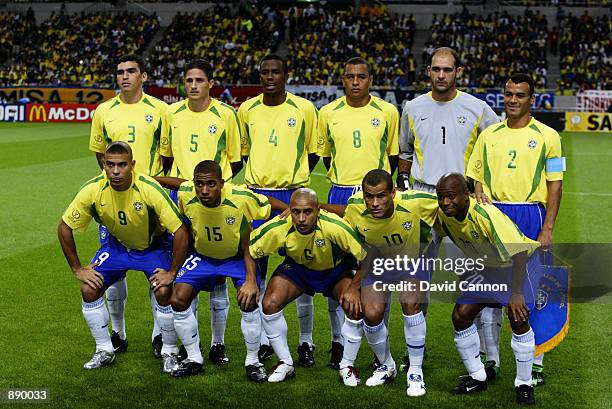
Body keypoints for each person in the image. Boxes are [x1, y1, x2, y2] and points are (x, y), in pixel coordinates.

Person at [398, 47, 501, 373]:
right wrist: (403, 186)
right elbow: (404, 154)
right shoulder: (413, 107)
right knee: (416, 282)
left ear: (458, 71)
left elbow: (495, 148)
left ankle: (491, 356)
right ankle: (417, 352)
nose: (441, 75)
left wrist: (482, 188)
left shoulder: (477, 108)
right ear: (428, 71)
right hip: (424, 202)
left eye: (447, 69)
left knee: (478, 280)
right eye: (436, 69)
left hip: (463, 205)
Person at [467, 73, 565, 387]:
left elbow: (555, 185)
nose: (512, 100)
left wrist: (547, 228)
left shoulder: (549, 136)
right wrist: (480, 194)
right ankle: (491, 359)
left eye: (519, 95)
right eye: (508, 94)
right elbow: (477, 177)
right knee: (488, 293)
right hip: (493, 216)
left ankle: (535, 363)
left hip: (529, 215)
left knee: (531, 293)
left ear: (531, 99)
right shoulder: (489, 134)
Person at [57, 142, 188, 372]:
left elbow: (180, 232)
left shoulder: (148, 188)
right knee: (89, 288)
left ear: (132, 165)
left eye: (121, 165)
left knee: (164, 290)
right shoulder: (93, 188)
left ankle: (170, 351)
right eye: (110, 165)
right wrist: (78, 269)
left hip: (153, 248)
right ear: (103, 165)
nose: (115, 171)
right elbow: (64, 227)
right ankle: (104, 349)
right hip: (117, 248)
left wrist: (172, 272)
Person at [155, 161, 287, 380]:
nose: (204, 190)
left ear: (222, 184)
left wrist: (288, 208)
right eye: (199, 184)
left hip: (236, 259)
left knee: (249, 300)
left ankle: (252, 361)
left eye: (211, 184)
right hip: (203, 258)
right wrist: (151, 179)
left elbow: (267, 203)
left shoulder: (241, 197)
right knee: (177, 299)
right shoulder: (188, 194)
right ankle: (194, 358)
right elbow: (180, 184)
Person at [323, 169, 437, 395]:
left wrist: (479, 197)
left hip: (412, 261)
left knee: (410, 301)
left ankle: (415, 371)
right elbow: (343, 218)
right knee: (372, 313)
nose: (374, 203)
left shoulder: (416, 202)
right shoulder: (356, 207)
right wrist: (317, 207)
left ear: (393, 193)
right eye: (369, 196)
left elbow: (452, 200)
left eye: (381, 196)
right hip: (379, 263)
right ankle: (387, 365)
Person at [317, 56, 400, 369]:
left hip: (375, 197)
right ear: (342, 78)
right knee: (338, 269)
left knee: (381, 270)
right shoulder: (327, 113)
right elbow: (325, 157)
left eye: (361, 76)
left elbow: (392, 158)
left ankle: (382, 346)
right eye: (349, 76)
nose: (355, 82)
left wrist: (374, 191)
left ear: (371, 79)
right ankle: (338, 342)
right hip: (340, 191)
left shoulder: (388, 112)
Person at [238, 54, 320, 367]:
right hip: (256, 196)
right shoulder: (247, 109)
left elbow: (312, 154)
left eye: (276, 71)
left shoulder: (304, 109)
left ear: (286, 74)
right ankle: (261, 342)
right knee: (255, 270)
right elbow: (244, 153)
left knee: (302, 268)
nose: (270, 77)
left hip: (292, 196)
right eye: (265, 72)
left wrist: (295, 184)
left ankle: (305, 342)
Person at [160, 59, 243, 366]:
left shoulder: (226, 114)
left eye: (199, 80)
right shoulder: (172, 113)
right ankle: (183, 341)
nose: (193, 85)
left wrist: (213, 186)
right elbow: (166, 156)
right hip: (182, 199)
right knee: (182, 270)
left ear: (211, 83)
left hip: (214, 198)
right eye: (188, 80)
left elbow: (235, 161)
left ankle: (217, 344)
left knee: (218, 272)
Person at [89, 54, 169, 358]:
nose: (125, 76)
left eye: (131, 71)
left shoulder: (161, 110)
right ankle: (118, 334)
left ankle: (159, 335)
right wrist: (116, 178)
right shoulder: (103, 110)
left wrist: (152, 186)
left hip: (152, 203)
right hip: (115, 202)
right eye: (120, 72)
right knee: (114, 271)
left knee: (157, 271)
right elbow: (101, 153)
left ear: (143, 76)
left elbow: (168, 154)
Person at [435, 173, 539, 405]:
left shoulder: (485, 214)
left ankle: (524, 384)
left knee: (518, 317)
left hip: (520, 263)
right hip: (489, 267)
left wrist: (516, 293)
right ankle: (477, 376)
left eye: (451, 196)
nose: (445, 202)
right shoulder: (443, 216)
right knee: (461, 315)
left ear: (466, 195)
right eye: (441, 197)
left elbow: (519, 252)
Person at [249, 189, 366, 382]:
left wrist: (354, 288)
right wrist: (251, 281)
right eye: (296, 212)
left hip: (334, 271)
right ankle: (285, 362)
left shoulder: (334, 226)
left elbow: (367, 256)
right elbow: (251, 249)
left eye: (307, 212)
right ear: (290, 210)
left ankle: (347, 365)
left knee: (355, 306)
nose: (301, 218)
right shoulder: (280, 226)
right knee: (269, 303)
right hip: (298, 269)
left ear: (318, 210)